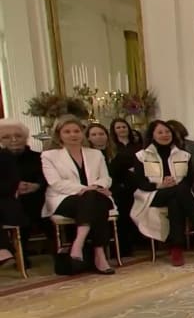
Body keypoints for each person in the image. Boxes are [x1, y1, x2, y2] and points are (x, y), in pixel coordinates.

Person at [131, 120, 194, 267]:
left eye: (167, 132)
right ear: (152, 135)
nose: (165, 135)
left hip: (177, 194)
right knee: (178, 192)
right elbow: (140, 183)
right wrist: (160, 184)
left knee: (175, 202)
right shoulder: (141, 156)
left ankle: (176, 249)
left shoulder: (183, 155)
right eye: (160, 132)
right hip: (151, 195)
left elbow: (189, 180)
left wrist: (173, 185)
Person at [40, 115, 116, 274]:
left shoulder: (95, 154)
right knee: (95, 200)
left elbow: (106, 178)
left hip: (95, 195)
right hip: (64, 198)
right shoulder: (49, 156)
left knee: (94, 200)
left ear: (82, 133)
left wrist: (96, 187)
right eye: (67, 132)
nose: (73, 135)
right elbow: (55, 182)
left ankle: (79, 244)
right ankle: (99, 254)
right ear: (59, 135)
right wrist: (87, 189)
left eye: (76, 131)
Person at [86, 123, 139, 256]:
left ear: (107, 136)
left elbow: (127, 178)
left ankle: (123, 246)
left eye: (101, 134)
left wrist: (113, 192)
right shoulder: (86, 157)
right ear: (88, 138)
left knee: (125, 200)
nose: (98, 137)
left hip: (117, 189)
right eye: (94, 134)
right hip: (94, 189)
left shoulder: (118, 156)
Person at [0, 119, 47, 260]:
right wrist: (13, 187)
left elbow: (48, 178)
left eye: (18, 136)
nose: (14, 140)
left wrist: (37, 185)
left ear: (26, 138)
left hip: (38, 198)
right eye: (6, 137)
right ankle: (16, 252)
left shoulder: (40, 157)